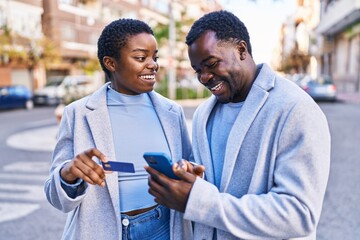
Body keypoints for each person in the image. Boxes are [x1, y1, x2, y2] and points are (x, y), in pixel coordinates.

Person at [145, 10, 331, 239]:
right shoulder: (204, 113)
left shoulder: (295, 108)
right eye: (198, 71)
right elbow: (219, 183)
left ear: (242, 50)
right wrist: (195, 178)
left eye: (211, 64)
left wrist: (197, 201)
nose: (204, 77)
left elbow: (299, 214)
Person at [44, 18, 193, 240]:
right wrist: (69, 173)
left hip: (163, 227)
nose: (152, 64)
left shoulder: (172, 112)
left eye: (155, 57)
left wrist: (186, 170)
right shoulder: (78, 113)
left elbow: (190, 169)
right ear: (111, 63)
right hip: (100, 231)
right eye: (141, 58)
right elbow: (55, 196)